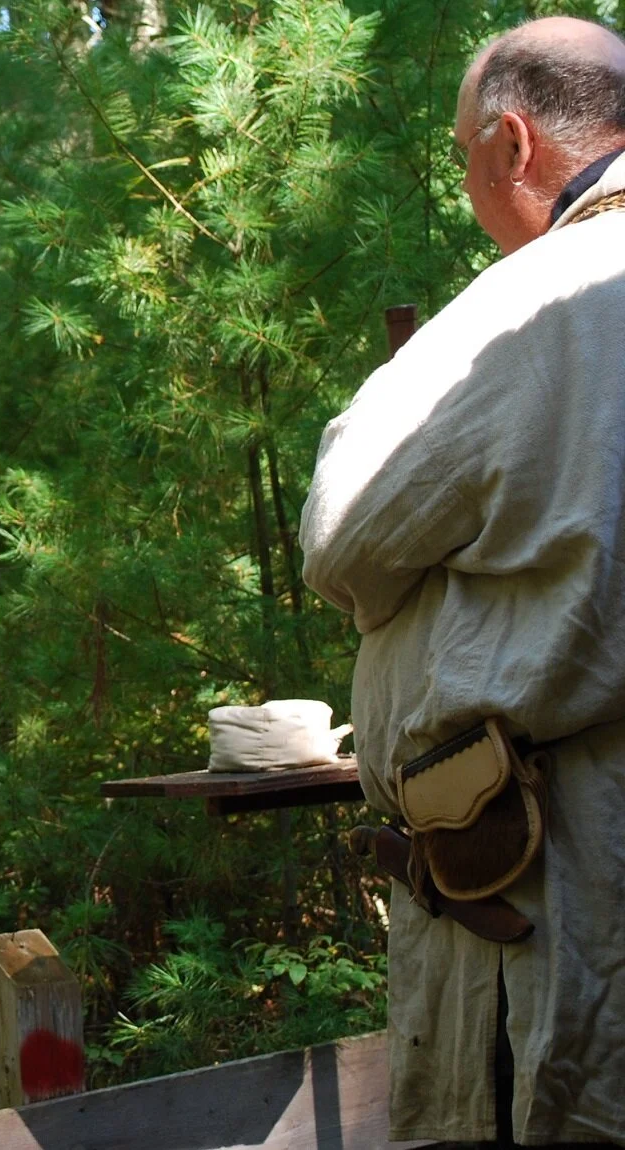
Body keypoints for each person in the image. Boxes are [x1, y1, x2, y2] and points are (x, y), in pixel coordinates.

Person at [301, 17, 625, 1146]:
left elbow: (342, 535)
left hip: (569, 872)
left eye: (460, 155)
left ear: (510, 142)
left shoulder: (538, 296)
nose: (466, 179)